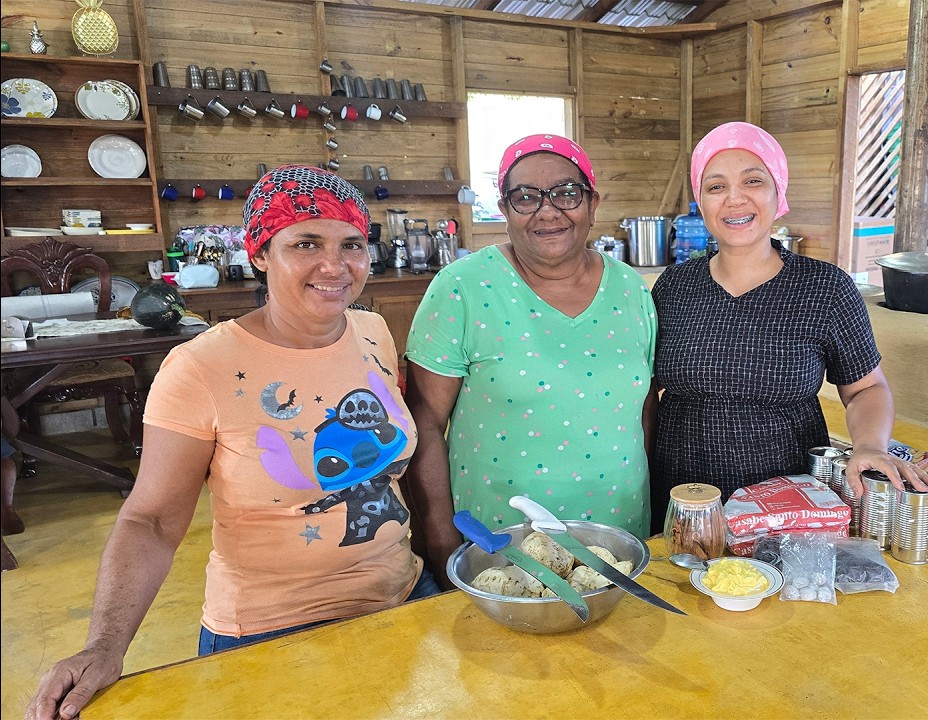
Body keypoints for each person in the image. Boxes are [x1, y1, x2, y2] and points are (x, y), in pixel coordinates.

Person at [28, 165, 439, 720]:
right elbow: (149, 520)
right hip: (275, 633)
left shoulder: (373, 331)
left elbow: (390, 463)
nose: (335, 265)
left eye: (352, 244)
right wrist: (105, 645)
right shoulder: (201, 367)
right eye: (306, 243)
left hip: (404, 598)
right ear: (260, 253)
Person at [649, 122, 928, 523]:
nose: (734, 199)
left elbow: (866, 388)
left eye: (753, 180)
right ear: (701, 200)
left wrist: (869, 446)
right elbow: (642, 388)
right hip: (684, 503)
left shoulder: (824, 287)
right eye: (715, 187)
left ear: (777, 190)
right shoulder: (674, 287)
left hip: (789, 510)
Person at [403, 134, 657, 585]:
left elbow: (644, 408)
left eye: (566, 193)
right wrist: (443, 549)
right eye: (525, 197)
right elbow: (422, 422)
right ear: (504, 210)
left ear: (592, 202)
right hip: (496, 549)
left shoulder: (631, 290)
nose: (548, 210)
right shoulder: (462, 288)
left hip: (616, 542)